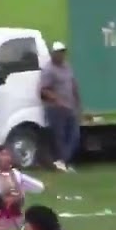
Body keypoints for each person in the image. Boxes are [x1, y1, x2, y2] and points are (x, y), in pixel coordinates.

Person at [41, 42, 81, 173]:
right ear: (53, 54)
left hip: (70, 107)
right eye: (59, 52)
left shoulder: (67, 67)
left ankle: (62, 161)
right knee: (60, 137)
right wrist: (56, 99)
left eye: (63, 52)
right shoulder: (48, 70)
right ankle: (63, 163)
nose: (61, 55)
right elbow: (44, 90)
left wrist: (78, 102)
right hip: (55, 109)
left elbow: (73, 84)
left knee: (74, 136)